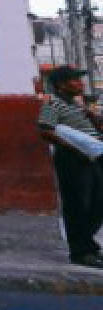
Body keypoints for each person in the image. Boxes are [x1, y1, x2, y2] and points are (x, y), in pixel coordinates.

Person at [37, 65, 103, 268]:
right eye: (75, 80)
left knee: (97, 203)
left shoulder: (78, 106)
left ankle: (88, 245)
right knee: (77, 205)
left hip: (94, 157)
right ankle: (81, 251)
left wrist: (93, 119)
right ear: (61, 85)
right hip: (72, 159)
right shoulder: (53, 105)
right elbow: (45, 130)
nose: (80, 83)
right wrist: (76, 149)